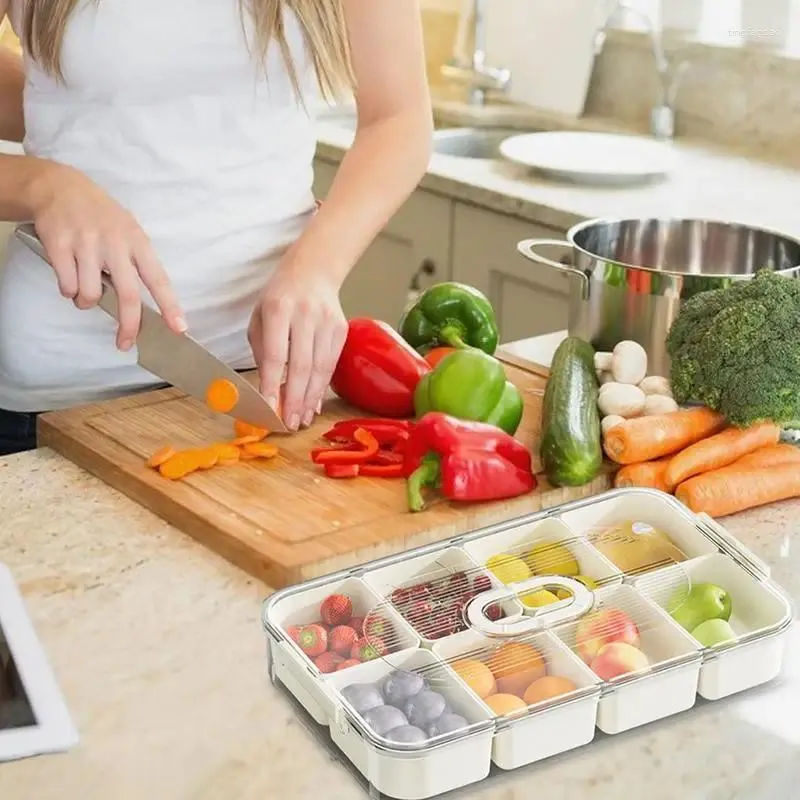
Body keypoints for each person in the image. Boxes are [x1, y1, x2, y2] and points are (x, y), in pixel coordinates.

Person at [0, 0, 432, 456]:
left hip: (268, 386)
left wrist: (317, 269)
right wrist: (45, 186)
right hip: (57, 397)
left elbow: (397, 117)